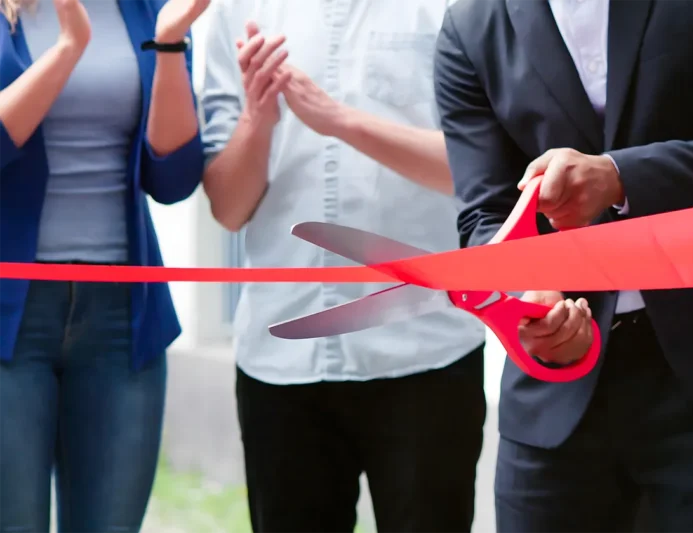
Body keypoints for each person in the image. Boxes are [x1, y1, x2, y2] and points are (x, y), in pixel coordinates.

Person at [433, 0, 693, 532]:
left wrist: (621, 176)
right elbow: (485, 217)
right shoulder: (471, 24)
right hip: (553, 397)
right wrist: (528, 299)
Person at [200, 1, 488, 532]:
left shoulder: (452, 7)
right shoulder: (236, 12)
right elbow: (228, 208)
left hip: (425, 347)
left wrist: (341, 122)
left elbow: (480, 170)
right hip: (281, 357)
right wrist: (257, 119)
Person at [0, 0, 208, 531]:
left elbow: (174, 178)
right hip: (9, 320)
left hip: (122, 319)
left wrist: (168, 42)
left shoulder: (147, 11)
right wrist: (70, 48)